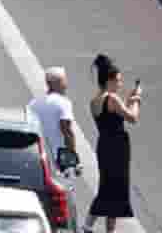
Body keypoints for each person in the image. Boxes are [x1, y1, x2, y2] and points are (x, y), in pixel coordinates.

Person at [85, 55, 141, 233]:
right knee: (114, 188)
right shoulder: (113, 98)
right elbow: (132, 118)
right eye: (118, 80)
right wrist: (136, 100)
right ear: (108, 80)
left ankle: (92, 226)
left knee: (108, 187)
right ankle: (90, 226)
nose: (120, 84)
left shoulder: (95, 101)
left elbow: (113, 117)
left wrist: (128, 102)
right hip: (117, 148)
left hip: (105, 146)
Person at [30, 67, 78, 169]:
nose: (66, 86)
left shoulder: (33, 103)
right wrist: (73, 158)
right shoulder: (64, 103)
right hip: (58, 157)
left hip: (36, 155)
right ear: (56, 83)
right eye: (64, 81)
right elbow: (67, 131)